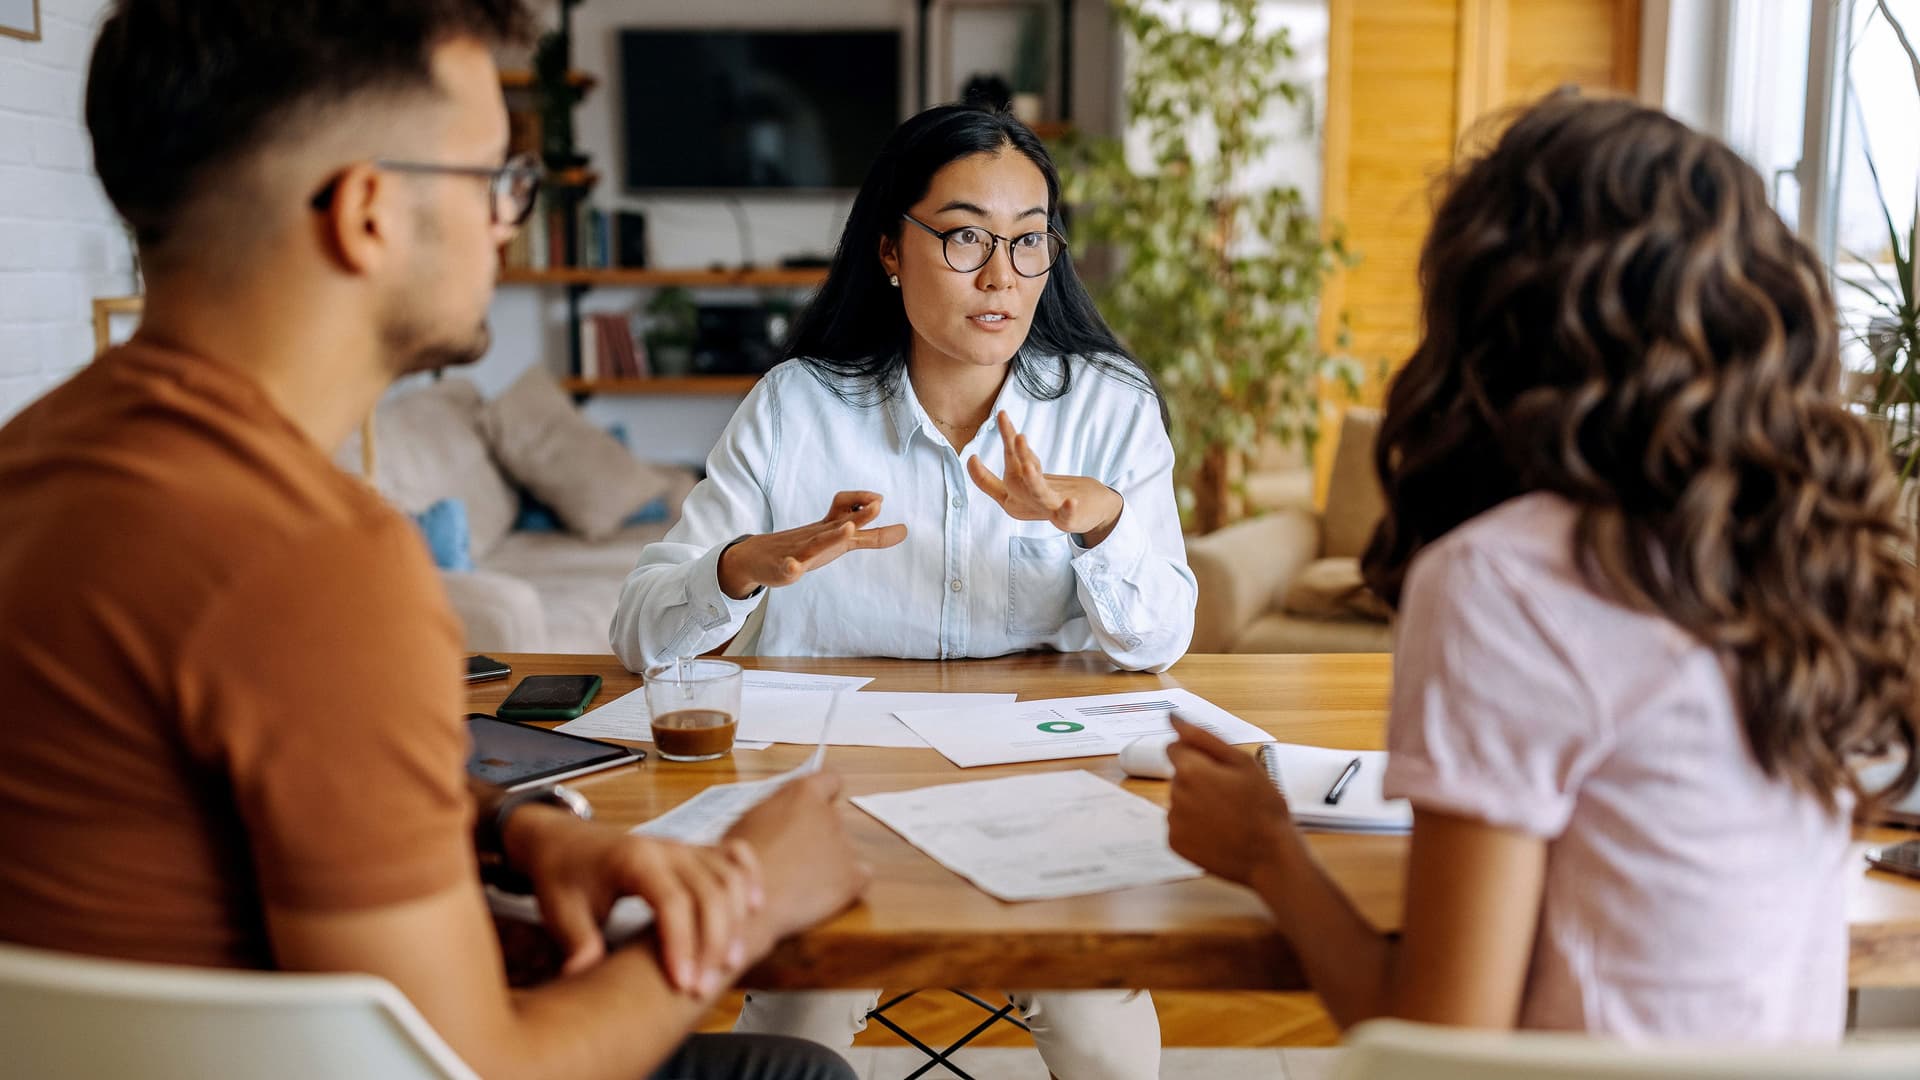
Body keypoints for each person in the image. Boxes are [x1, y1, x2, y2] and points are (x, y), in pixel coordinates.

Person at [0, 4, 868, 1079]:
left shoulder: (35, 460)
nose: (509, 224)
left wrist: (515, 828)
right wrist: (754, 896)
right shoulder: (314, 560)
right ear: (368, 213)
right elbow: (478, 1073)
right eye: (498, 182)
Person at [1165, 91, 1920, 1041]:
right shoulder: (1799, 550)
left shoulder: (1505, 579)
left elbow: (1442, 1048)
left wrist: (1267, 852)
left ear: (1498, 311)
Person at [609, 102, 1195, 1076]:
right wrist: (745, 565)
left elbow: (1157, 644)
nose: (1002, 276)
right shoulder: (796, 406)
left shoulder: (1110, 406)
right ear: (890, 247)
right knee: (795, 1019)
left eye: (1028, 242)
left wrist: (1098, 518)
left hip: (1041, 795)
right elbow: (640, 636)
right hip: (833, 797)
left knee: (1100, 1033)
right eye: (966, 237)